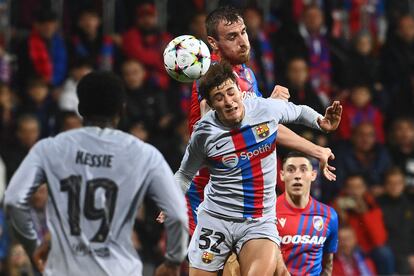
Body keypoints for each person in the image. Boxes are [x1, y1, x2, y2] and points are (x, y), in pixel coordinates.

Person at [4, 72, 188, 276]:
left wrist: (33, 246)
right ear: (122, 109)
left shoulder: (49, 148)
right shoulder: (144, 154)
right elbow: (178, 215)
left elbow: (13, 200)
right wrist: (173, 260)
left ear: (80, 109)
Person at [186, 4, 339, 240]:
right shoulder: (213, 79)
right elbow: (242, 132)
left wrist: (316, 146)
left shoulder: (246, 73)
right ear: (213, 43)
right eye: (232, 37)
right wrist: (270, 104)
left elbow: (264, 129)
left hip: (245, 193)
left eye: (244, 32)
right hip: (211, 195)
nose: (243, 41)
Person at [176, 61, 341, 275]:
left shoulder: (265, 109)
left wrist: (321, 122)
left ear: (238, 88)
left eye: (231, 92)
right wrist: (169, 199)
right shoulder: (203, 134)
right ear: (210, 103)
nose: (228, 102)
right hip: (216, 220)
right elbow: (184, 174)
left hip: (258, 220)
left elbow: (298, 112)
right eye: (219, 97)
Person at [277, 151, 338, 275]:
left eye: (303, 170)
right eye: (291, 170)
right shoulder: (270, 213)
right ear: (282, 175)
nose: (297, 175)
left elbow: (328, 264)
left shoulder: (329, 215)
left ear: (313, 175)